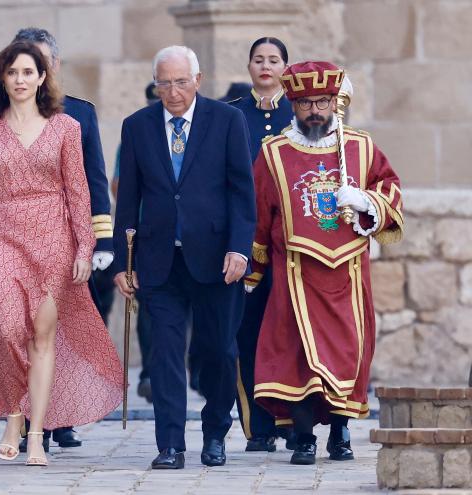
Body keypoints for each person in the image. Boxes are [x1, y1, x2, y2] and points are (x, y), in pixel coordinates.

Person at [0, 41, 123, 467]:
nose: (20, 80)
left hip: (53, 238)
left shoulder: (67, 126)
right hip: (1, 235)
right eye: (12, 73)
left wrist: (86, 247)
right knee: (3, 325)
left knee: (42, 338)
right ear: (2, 78)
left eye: (28, 72)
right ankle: (14, 411)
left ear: (42, 77)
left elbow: (79, 191)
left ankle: (33, 434)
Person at [246, 60, 403, 465]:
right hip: (294, 273)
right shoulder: (273, 153)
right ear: (292, 105)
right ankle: (303, 435)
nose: (315, 110)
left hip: (347, 273)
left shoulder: (361, 147)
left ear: (335, 101)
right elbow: (259, 212)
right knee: (296, 355)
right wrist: (253, 268)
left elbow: (390, 188)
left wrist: (366, 201)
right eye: (306, 103)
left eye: (323, 101)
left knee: (348, 352)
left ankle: (340, 431)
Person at [113, 45, 255, 469]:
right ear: (155, 84)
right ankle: (170, 444)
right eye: (164, 83)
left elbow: (241, 191)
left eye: (179, 82)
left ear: (198, 79)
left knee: (218, 352)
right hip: (159, 260)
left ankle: (215, 434)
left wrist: (239, 248)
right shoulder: (137, 126)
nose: (172, 92)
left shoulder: (228, 121)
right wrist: (123, 261)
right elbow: (128, 199)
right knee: (164, 355)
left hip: (215, 259)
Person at [12, 26, 114, 451]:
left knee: (60, 333)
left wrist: (102, 239)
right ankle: (24, 414)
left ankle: (60, 418)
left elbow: (94, 178)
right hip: (13, 242)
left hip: (65, 242)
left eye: (41, 63)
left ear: (53, 67)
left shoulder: (79, 113)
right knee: (16, 329)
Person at [228, 36, 294, 453]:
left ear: (286, 66)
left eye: (273, 60)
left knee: (290, 332)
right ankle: (258, 425)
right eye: (258, 60)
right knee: (247, 331)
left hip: (292, 245)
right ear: (248, 66)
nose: (265, 66)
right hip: (247, 245)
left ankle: (292, 419)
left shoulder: (303, 113)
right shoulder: (232, 115)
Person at [111, 82, 159, 404]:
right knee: (147, 307)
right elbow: (118, 185)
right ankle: (149, 372)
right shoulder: (138, 131)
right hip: (145, 231)